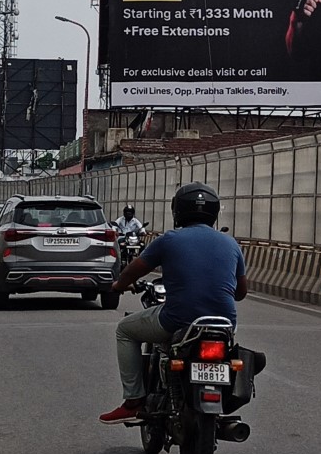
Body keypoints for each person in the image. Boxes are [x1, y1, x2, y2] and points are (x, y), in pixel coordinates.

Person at [99, 182, 247, 425]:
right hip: (225, 325)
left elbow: (132, 272)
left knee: (124, 330)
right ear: (215, 212)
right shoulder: (231, 244)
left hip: (178, 320)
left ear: (177, 211)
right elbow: (240, 293)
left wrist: (117, 286)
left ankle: (133, 401)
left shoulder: (169, 240)